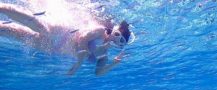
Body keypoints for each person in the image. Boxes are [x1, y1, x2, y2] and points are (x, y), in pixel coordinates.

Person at [0, 3, 131, 75]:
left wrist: (114, 63)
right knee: (36, 23)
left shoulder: (104, 54)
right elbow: (82, 38)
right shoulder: (101, 30)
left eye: (120, 41)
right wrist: (79, 62)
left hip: (53, 47)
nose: (115, 38)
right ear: (115, 28)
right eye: (117, 34)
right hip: (60, 33)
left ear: (120, 46)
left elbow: (99, 72)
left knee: (17, 34)